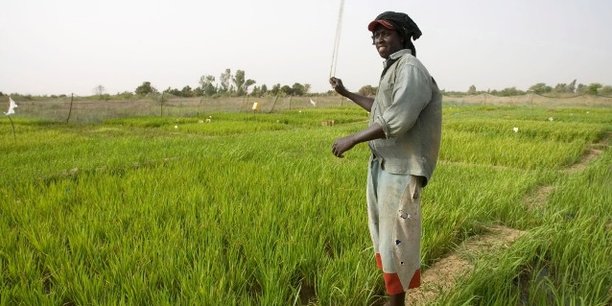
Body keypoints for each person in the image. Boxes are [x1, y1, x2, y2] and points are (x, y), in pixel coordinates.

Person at [329, 11, 441, 306]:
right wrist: (347, 93)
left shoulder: (410, 68)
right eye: (376, 34)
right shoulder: (393, 69)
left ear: (402, 35)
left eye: (386, 32)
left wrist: (353, 138)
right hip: (384, 167)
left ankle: (397, 304)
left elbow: (399, 117)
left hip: (401, 170)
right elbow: (380, 107)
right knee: (385, 238)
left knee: (396, 243)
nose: (380, 38)